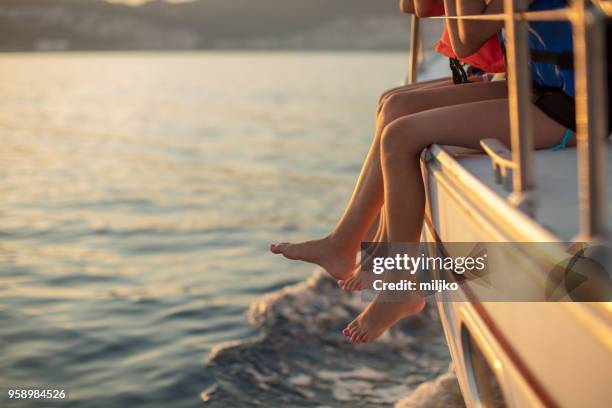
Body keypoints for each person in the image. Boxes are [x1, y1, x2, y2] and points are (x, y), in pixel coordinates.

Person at [271, 0, 573, 344]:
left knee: (400, 137)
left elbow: (466, 40)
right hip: (536, 88)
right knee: (396, 106)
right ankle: (348, 245)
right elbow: (413, 7)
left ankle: (400, 285)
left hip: (567, 109)